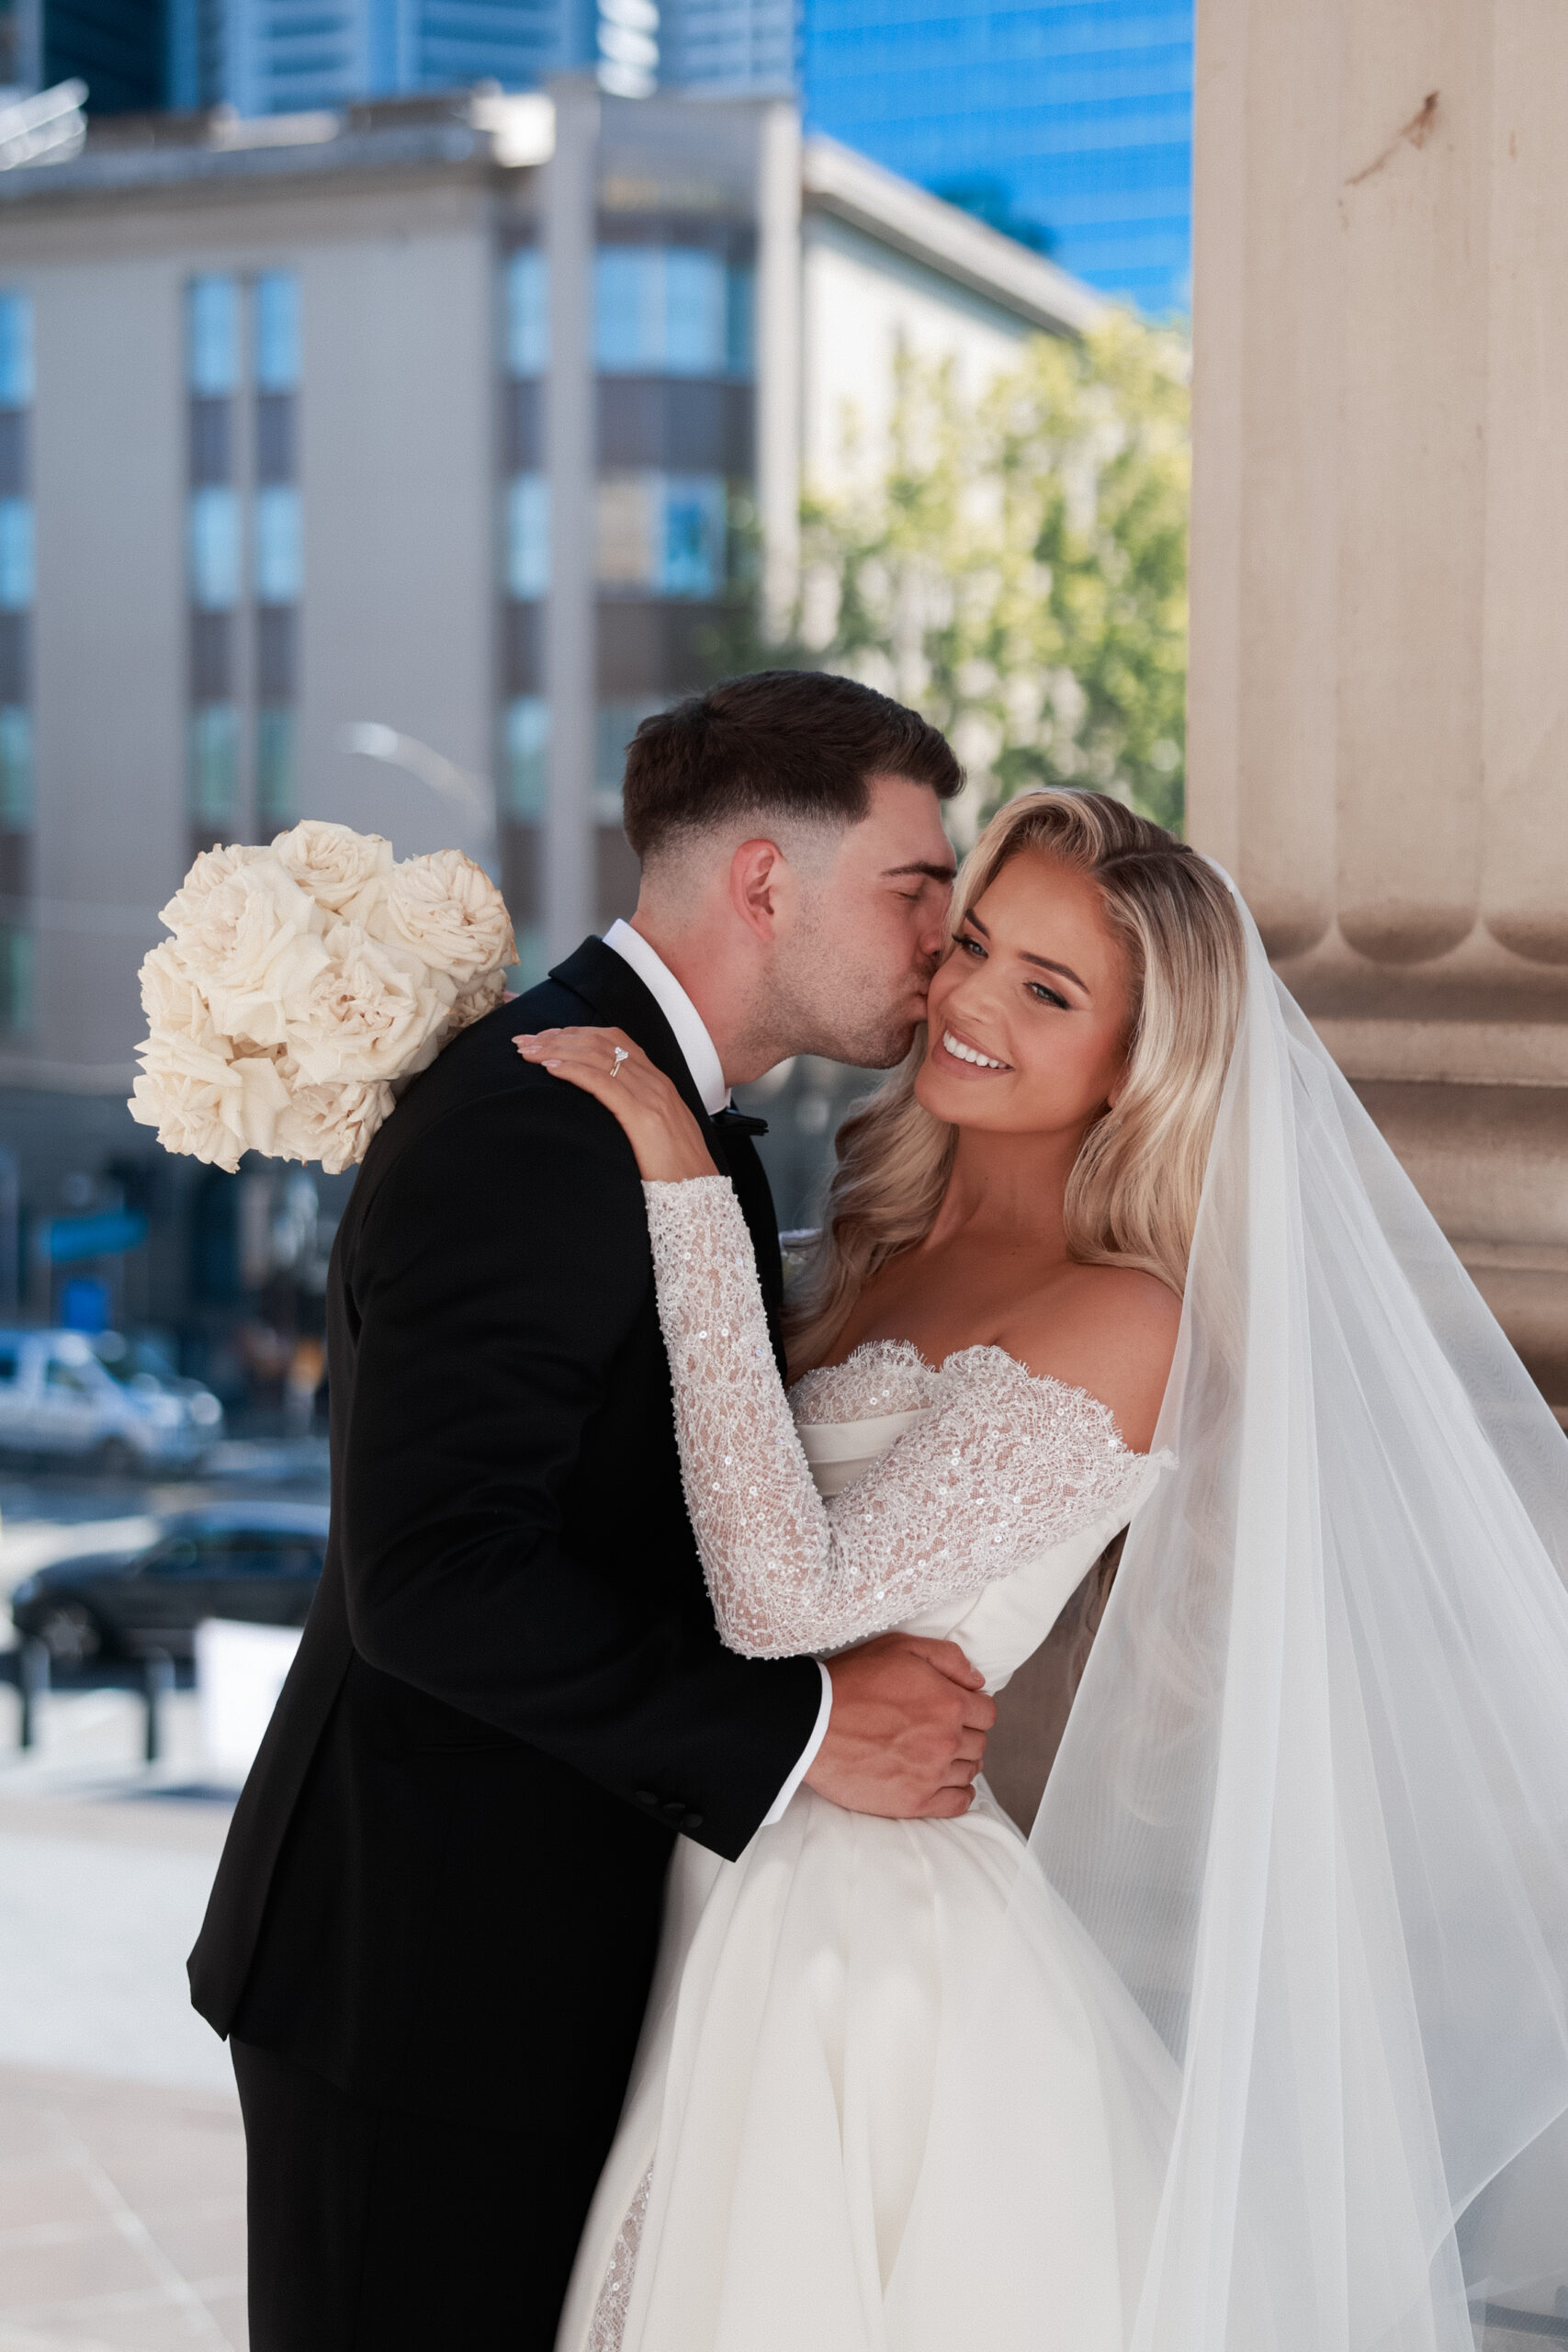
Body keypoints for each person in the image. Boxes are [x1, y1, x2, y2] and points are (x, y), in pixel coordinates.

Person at [523, 787, 1568, 2351]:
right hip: (725, 1861)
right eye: (977, 945)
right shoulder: (867, 1249)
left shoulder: (1124, 1314)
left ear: (1140, 1061)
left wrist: (677, 1177)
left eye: (1048, 990)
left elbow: (786, 1603)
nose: (969, 1002)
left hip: (866, 1959)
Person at [186, 671, 998, 2352]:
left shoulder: (654, 1115)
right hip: (420, 1986)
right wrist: (802, 1732)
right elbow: (435, 1578)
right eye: (917, 887)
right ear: (767, 879)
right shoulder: (537, 1128)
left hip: (522, 1971)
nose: (944, 936)